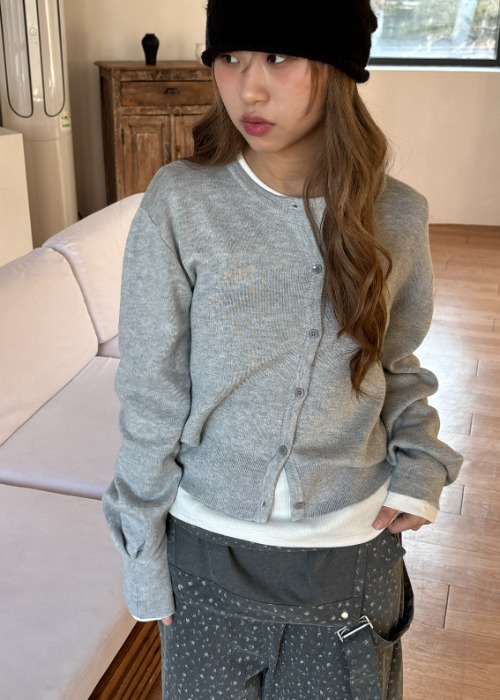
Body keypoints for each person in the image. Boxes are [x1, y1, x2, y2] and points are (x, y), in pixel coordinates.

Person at [102, 1, 463, 698]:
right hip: (205, 551)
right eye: (229, 57)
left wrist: (422, 466)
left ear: (338, 66)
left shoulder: (396, 215)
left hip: (350, 557)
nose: (249, 88)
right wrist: (141, 550)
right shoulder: (182, 201)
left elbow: (398, 366)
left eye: (278, 56)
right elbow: (150, 391)